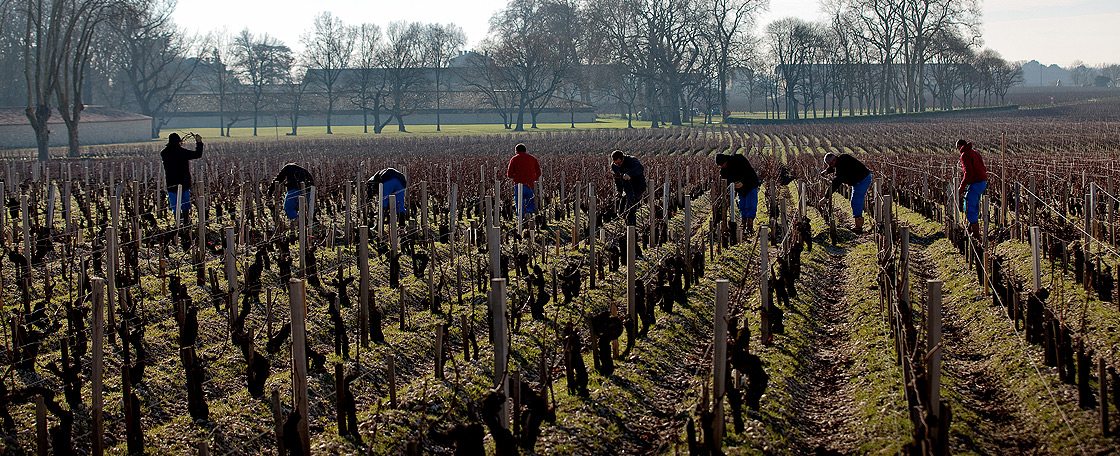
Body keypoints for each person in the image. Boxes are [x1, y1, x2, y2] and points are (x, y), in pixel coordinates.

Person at [819, 152, 872, 233]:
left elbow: (835, 184)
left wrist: (826, 197)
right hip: (858, 180)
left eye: (830, 164)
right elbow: (835, 167)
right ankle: (857, 223)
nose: (831, 166)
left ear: (833, 161)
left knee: (856, 201)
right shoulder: (842, 158)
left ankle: (858, 226)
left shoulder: (841, 169)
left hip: (862, 180)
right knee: (854, 201)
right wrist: (826, 171)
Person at [715, 153, 761, 234]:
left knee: (750, 205)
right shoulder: (723, 171)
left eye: (723, 164)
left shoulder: (738, 159)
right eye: (720, 165)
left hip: (750, 184)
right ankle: (743, 223)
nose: (722, 166)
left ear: (725, 161)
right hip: (740, 189)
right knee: (742, 205)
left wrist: (741, 181)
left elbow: (748, 170)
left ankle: (750, 225)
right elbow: (727, 181)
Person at [161, 132, 204, 219]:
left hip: (171, 182)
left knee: (174, 204)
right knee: (185, 203)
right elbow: (198, 154)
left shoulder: (164, 153)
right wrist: (199, 142)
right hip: (184, 182)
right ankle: (185, 220)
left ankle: (177, 220)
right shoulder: (182, 152)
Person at [957, 139, 988, 239]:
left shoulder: (965, 155)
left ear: (959, 146)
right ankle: (971, 227)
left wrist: (961, 188)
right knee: (973, 204)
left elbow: (968, 173)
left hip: (976, 183)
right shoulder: (975, 152)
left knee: (969, 206)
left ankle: (975, 235)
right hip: (982, 182)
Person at [611, 150, 646, 226]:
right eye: (615, 163)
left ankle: (631, 226)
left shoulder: (632, 160)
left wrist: (629, 174)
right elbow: (617, 179)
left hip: (638, 186)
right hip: (627, 187)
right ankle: (627, 223)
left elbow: (640, 168)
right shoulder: (614, 166)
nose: (618, 165)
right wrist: (619, 191)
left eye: (619, 163)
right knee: (622, 206)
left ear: (623, 158)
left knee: (631, 206)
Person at [506, 143, 541, 216]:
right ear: (525, 150)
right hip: (530, 184)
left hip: (518, 185)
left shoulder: (514, 159)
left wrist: (516, 177)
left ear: (516, 151)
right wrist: (534, 178)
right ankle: (529, 215)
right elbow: (539, 172)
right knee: (530, 201)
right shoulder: (532, 158)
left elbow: (509, 174)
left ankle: (520, 217)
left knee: (519, 202)